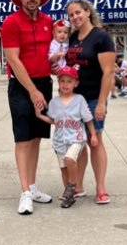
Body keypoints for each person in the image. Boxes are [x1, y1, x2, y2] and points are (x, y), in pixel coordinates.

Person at [1, 0, 54, 215]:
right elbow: (13, 59)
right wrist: (33, 91)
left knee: (36, 138)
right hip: (22, 87)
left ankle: (32, 187)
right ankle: (24, 193)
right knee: (22, 139)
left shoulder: (48, 21)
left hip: (45, 83)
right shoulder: (11, 23)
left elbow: (53, 51)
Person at [66, 0, 116, 204]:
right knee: (77, 142)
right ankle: (78, 186)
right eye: (71, 15)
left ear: (87, 12)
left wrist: (102, 102)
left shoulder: (101, 37)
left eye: (78, 12)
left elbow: (108, 72)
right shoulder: (73, 38)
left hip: (94, 98)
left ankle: (101, 187)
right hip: (74, 100)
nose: (75, 17)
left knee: (95, 142)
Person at [35, 66, 98, 208]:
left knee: (70, 159)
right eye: (62, 81)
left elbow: (88, 119)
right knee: (64, 169)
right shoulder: (54, 102)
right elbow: (53, 120)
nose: (65, 84)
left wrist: (93, 134)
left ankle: (72, 186)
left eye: (69, 81)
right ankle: (69, 195)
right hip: (59, 141)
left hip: (76, 138)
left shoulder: (79, 99)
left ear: (76, 83)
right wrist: (39, 115)